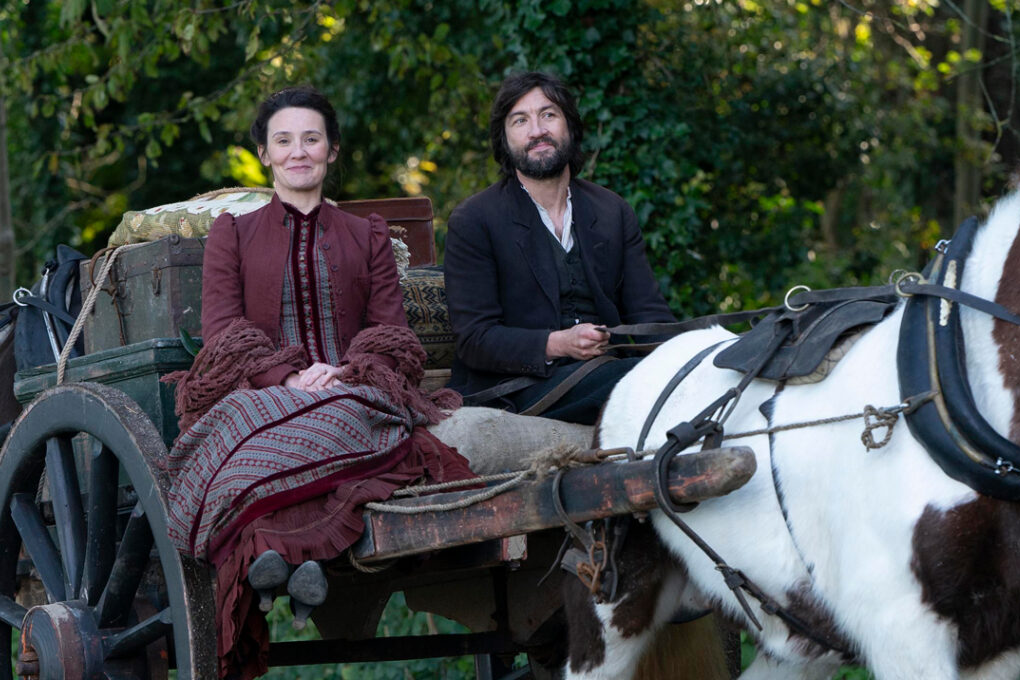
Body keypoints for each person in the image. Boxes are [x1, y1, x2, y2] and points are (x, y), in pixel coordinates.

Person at [161, 86, 474, 679]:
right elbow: (222, 332)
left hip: (351, 388)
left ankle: (286, 550)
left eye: (311, 139)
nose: (298, 151)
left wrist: (346, 371)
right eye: (284, 141)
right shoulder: (232, 233)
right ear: (265, 154)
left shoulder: (368, 234)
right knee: (245, 420)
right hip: (261, 391)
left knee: (350, 412)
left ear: (332, 150)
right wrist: (286, 375)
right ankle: (290, 553)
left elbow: (391, 330)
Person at [445, 71, 676, 424]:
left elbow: (650, 315)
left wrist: (688, 355)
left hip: (605, 372)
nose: (537, 130)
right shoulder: (474, 220)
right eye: (520, 120)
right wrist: (558, 343)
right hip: (515, 389)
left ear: (570, 125)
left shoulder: (612, 211)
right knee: (629, 380)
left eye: (548, 114)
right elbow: (475, 339)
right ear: (504, 139)